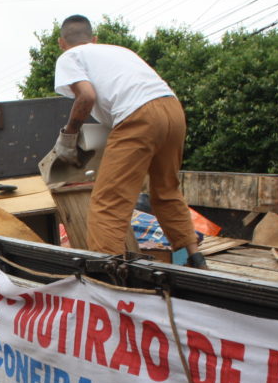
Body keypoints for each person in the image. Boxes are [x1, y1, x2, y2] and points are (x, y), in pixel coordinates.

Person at [52, 14, 208, 268]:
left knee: (108, 201)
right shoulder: (118, 51)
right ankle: (196, 258)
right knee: (166, 190)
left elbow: (86, 97)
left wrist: (68, 136)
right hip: (172, 109)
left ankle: (107, 274)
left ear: (61, 43)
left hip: (137, 115)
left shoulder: (69, 56)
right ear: (94, 39)